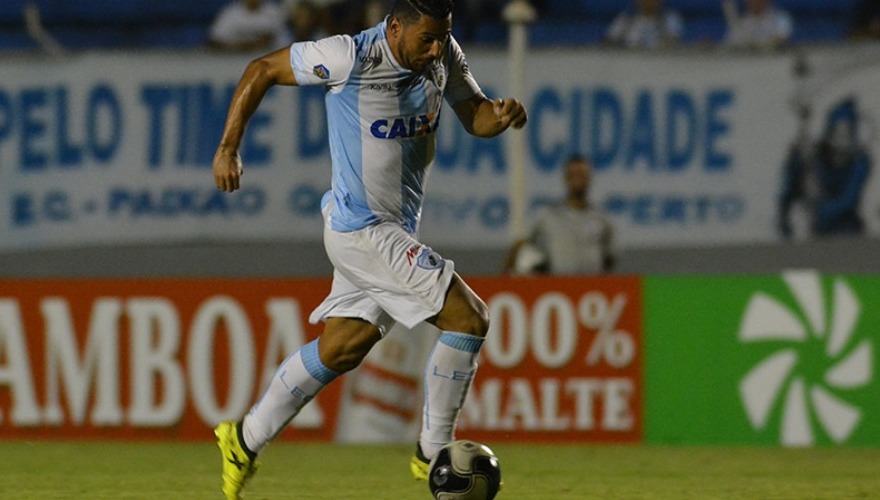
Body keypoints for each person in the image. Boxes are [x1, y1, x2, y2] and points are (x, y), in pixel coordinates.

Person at [210, 0, 528, 498]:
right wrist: (229, 147)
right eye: (427, 38)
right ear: (395, 27)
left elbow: (476, 117)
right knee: (470, 319)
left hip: (392, 231)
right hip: (362, 229)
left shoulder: (442, 55)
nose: (437, 47)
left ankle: (244, 439)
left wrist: (501, 114)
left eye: (443, 37)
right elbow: (262, 68)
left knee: (344, 346)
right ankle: (433, 454)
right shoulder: (348, 56)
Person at [503, 155, 615, 276]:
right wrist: (506, 280)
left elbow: (610, 257)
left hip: (592, 287)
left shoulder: (601, 218)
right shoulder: (548, 215)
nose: (578, 179)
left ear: (589, 178)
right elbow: (519, 243)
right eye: (574, 174)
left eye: (582, 175)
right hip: (558, 287)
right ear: (566, 178)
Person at [778, 98, 871, 239]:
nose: (842, 138)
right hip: (816, 232)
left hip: (847, 231)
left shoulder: (860, 161)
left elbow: (849, 200)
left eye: (847, 132)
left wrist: (819, 211)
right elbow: (790, 189)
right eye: (837, 132)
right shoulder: (817, 157)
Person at [207, 0, 292, 52]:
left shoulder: (274, 12)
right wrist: (240, 46)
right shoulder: (230, 13)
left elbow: (282, 39)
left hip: (268, 59)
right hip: (233, 60)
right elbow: (215, 40)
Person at [605, 0, 684, 49]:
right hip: (629, 62)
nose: (648, 2)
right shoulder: (625, 20)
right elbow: (609, 42)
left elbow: (674, 42)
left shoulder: (670, 19)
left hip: (659, 64)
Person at [722, 0, 793, 50]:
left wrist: (760, 45)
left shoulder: (781, 18)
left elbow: (782, 39)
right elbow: (730, 45)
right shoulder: (742, 23)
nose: (754, 2)